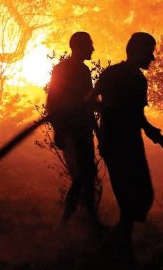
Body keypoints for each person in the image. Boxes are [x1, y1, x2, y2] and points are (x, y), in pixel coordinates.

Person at [94, 32, 163, 255]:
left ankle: (118, 246)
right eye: (149, 52)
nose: (152, 58)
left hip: (126, 142)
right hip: (120, 144)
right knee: (131, 198)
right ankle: (116, 249)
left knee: (138, 196)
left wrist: (147, 128)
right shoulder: (131, 78)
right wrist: (106, 124)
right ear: (137, 51)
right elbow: (92, 102)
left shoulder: (120, 74)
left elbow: (134, 113)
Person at [45, 31, 101, 228]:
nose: (93, 49)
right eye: (89, 45)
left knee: (88, 175)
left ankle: (89, 221)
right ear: (78, 47)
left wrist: (97, 131)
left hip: (83, 130)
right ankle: (67, 223)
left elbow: (88, 103)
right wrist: (60, 130)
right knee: (81, 177)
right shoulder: (62, 70)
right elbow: (51, 103)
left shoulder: (84, 71)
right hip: (71, 132)